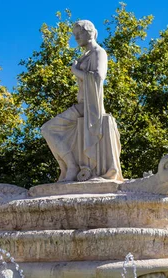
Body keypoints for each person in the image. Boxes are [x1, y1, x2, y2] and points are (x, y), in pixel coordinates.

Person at [41, 20, 122, 182]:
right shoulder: (85, 56)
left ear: (90, 33)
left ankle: (72, 166)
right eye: (75, 35)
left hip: (89, 107)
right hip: (81, 105)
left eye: (80, 33)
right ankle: (72, 165)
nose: (77, 37)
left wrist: (76, 71)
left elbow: (98, 78)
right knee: (47, 129)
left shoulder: (99, 53)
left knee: (48, 128)